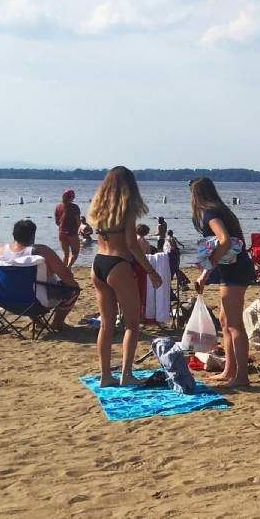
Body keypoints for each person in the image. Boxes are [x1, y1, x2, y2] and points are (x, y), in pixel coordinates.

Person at [88, 166, 161, 387]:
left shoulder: (98, 209)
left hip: (98, 263)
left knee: (106, 325)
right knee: (132, 324)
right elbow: (131, 244)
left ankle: (105, 376)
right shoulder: (127, 210)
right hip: (118, 265)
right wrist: (151, 270)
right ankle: (126, 374)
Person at [190, 177, 255, 387]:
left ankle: (241, 376)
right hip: (235, 268)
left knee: (234, 325)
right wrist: (204, 275)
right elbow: (222, 245)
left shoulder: (210, 213)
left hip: (234, 271)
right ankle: (230, 370)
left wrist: (209, 264)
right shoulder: (222, 210)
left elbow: (224, 240)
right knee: (225, 321)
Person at [0, 219, 81, 330]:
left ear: (14, 235)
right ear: (33, 236)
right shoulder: (42, 251)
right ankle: (57, 323)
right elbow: (66, 276)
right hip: (36, 303)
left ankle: (37, 321)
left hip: (3, 300)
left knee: (23, 286)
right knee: (74, 289)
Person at [54, 189, 82, 268]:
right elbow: (78, 221)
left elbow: (57, 222)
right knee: (75, 253)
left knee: (66, 254)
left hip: (61, 233)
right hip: (72, 233)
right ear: (72, 197)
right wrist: (79, 229)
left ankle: (63, 271)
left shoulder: (58, 206)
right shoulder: (75, 207)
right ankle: (68, 268)